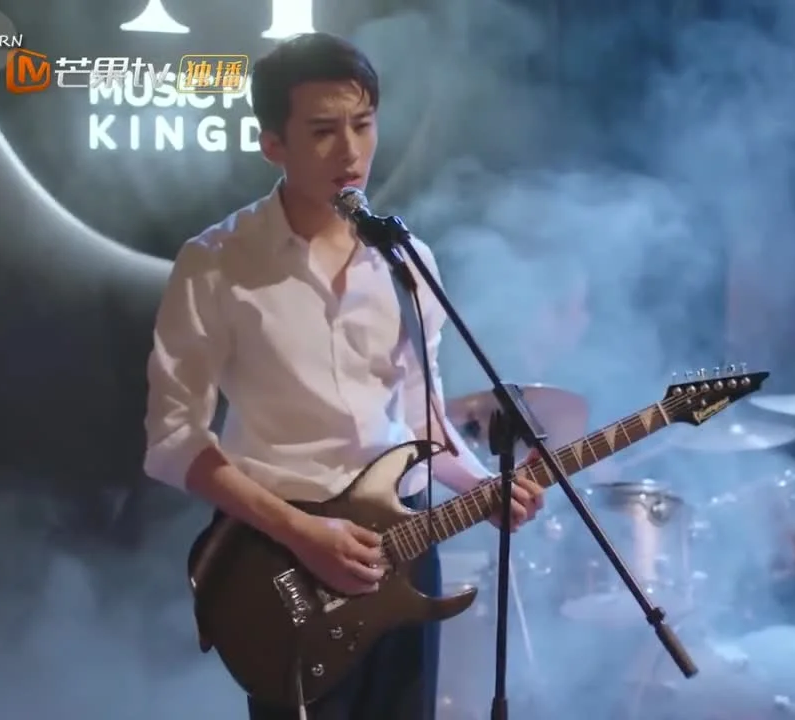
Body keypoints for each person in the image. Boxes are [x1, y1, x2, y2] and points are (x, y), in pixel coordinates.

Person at [142, 33, 545, 720]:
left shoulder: (406, 260)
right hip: (281, 555)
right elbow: (173, 439)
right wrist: (304, 533)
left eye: (363, 125)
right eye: (323, 131)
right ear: (273, 144)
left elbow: (421, 415)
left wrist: (482, 487)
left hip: (406, 541)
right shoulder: (215, 262)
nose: (351, 152)